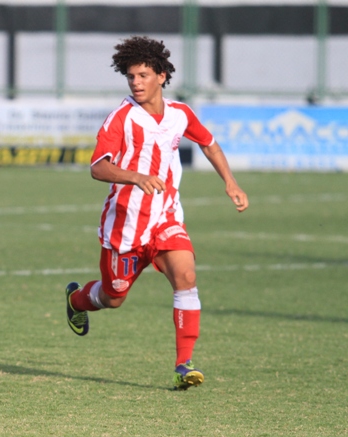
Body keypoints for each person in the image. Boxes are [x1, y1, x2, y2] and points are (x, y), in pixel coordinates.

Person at [65, 36, 249, 390]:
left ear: (162, 76)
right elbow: (97, 167)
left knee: (186, 276)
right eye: (131, 76)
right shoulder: (122, 118)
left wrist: (230, 182)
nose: (136, 82)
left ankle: (184, 364)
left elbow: (208, 143)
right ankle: (75, 300)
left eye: (143, 75)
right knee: (113, 297)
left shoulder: (180, 114)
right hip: (125, 226)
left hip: (165, 218)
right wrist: (135, 177)